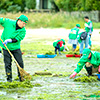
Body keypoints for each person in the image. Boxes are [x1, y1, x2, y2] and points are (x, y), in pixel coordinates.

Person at [0, 15, 28, 82]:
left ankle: (21, 78)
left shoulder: (23, 30)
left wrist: (9, 40)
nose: (24, 25)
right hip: (5, 47)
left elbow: (18, 38)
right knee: (8, 64)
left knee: (20, 63)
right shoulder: (8, 22)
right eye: (23, 23)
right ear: (19, 21)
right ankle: (9, 79)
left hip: (16, 48)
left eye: (25, 24)